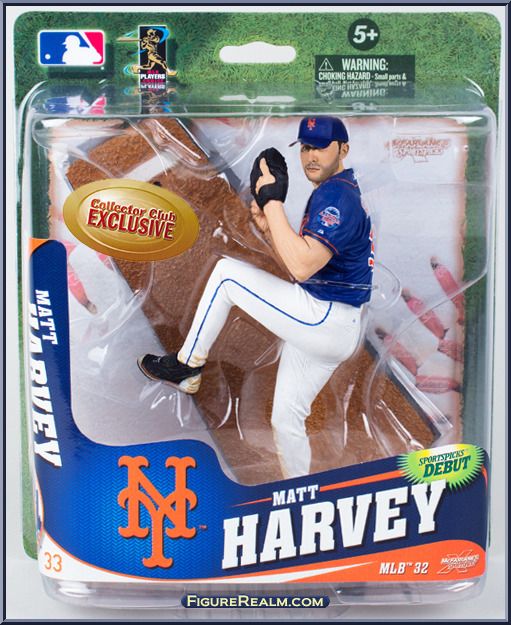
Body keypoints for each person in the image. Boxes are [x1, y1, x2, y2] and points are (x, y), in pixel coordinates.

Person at [138, 116, 374, 478]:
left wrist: (273, 203)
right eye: (306, 148)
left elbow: (301, 267)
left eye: (320, 147)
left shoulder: (337, 196)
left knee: (226, 276)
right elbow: (304, 261)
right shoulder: (339, 191)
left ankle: (187, 367)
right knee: (286, 419)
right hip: (331, 324)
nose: (311, 156)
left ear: (343, 149)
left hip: (323, 318)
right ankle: (299, 491)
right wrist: (269, 226)